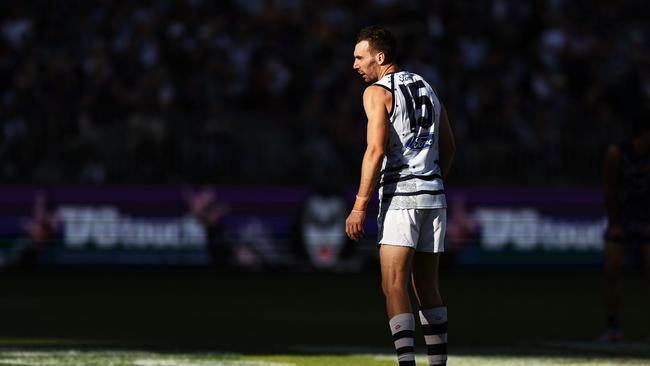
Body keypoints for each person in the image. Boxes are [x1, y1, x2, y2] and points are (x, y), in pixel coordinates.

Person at [345, 26, 456, 366]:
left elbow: (375, 150)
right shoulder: (427, 85)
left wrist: (359, 205)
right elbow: (449, 147)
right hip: (433, 196)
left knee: (393, 284)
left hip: (401, 197)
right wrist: (432, 182)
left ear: (380, 57)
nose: (354, 65)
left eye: (360, 57)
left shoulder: (377, 93)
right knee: (427, 287)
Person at [600, 114, 650, 343]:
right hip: (624, 217)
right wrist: (614, 224)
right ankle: (613, 329)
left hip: (647, 216)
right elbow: (609, 189)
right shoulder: (616, 155)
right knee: (611, 268)